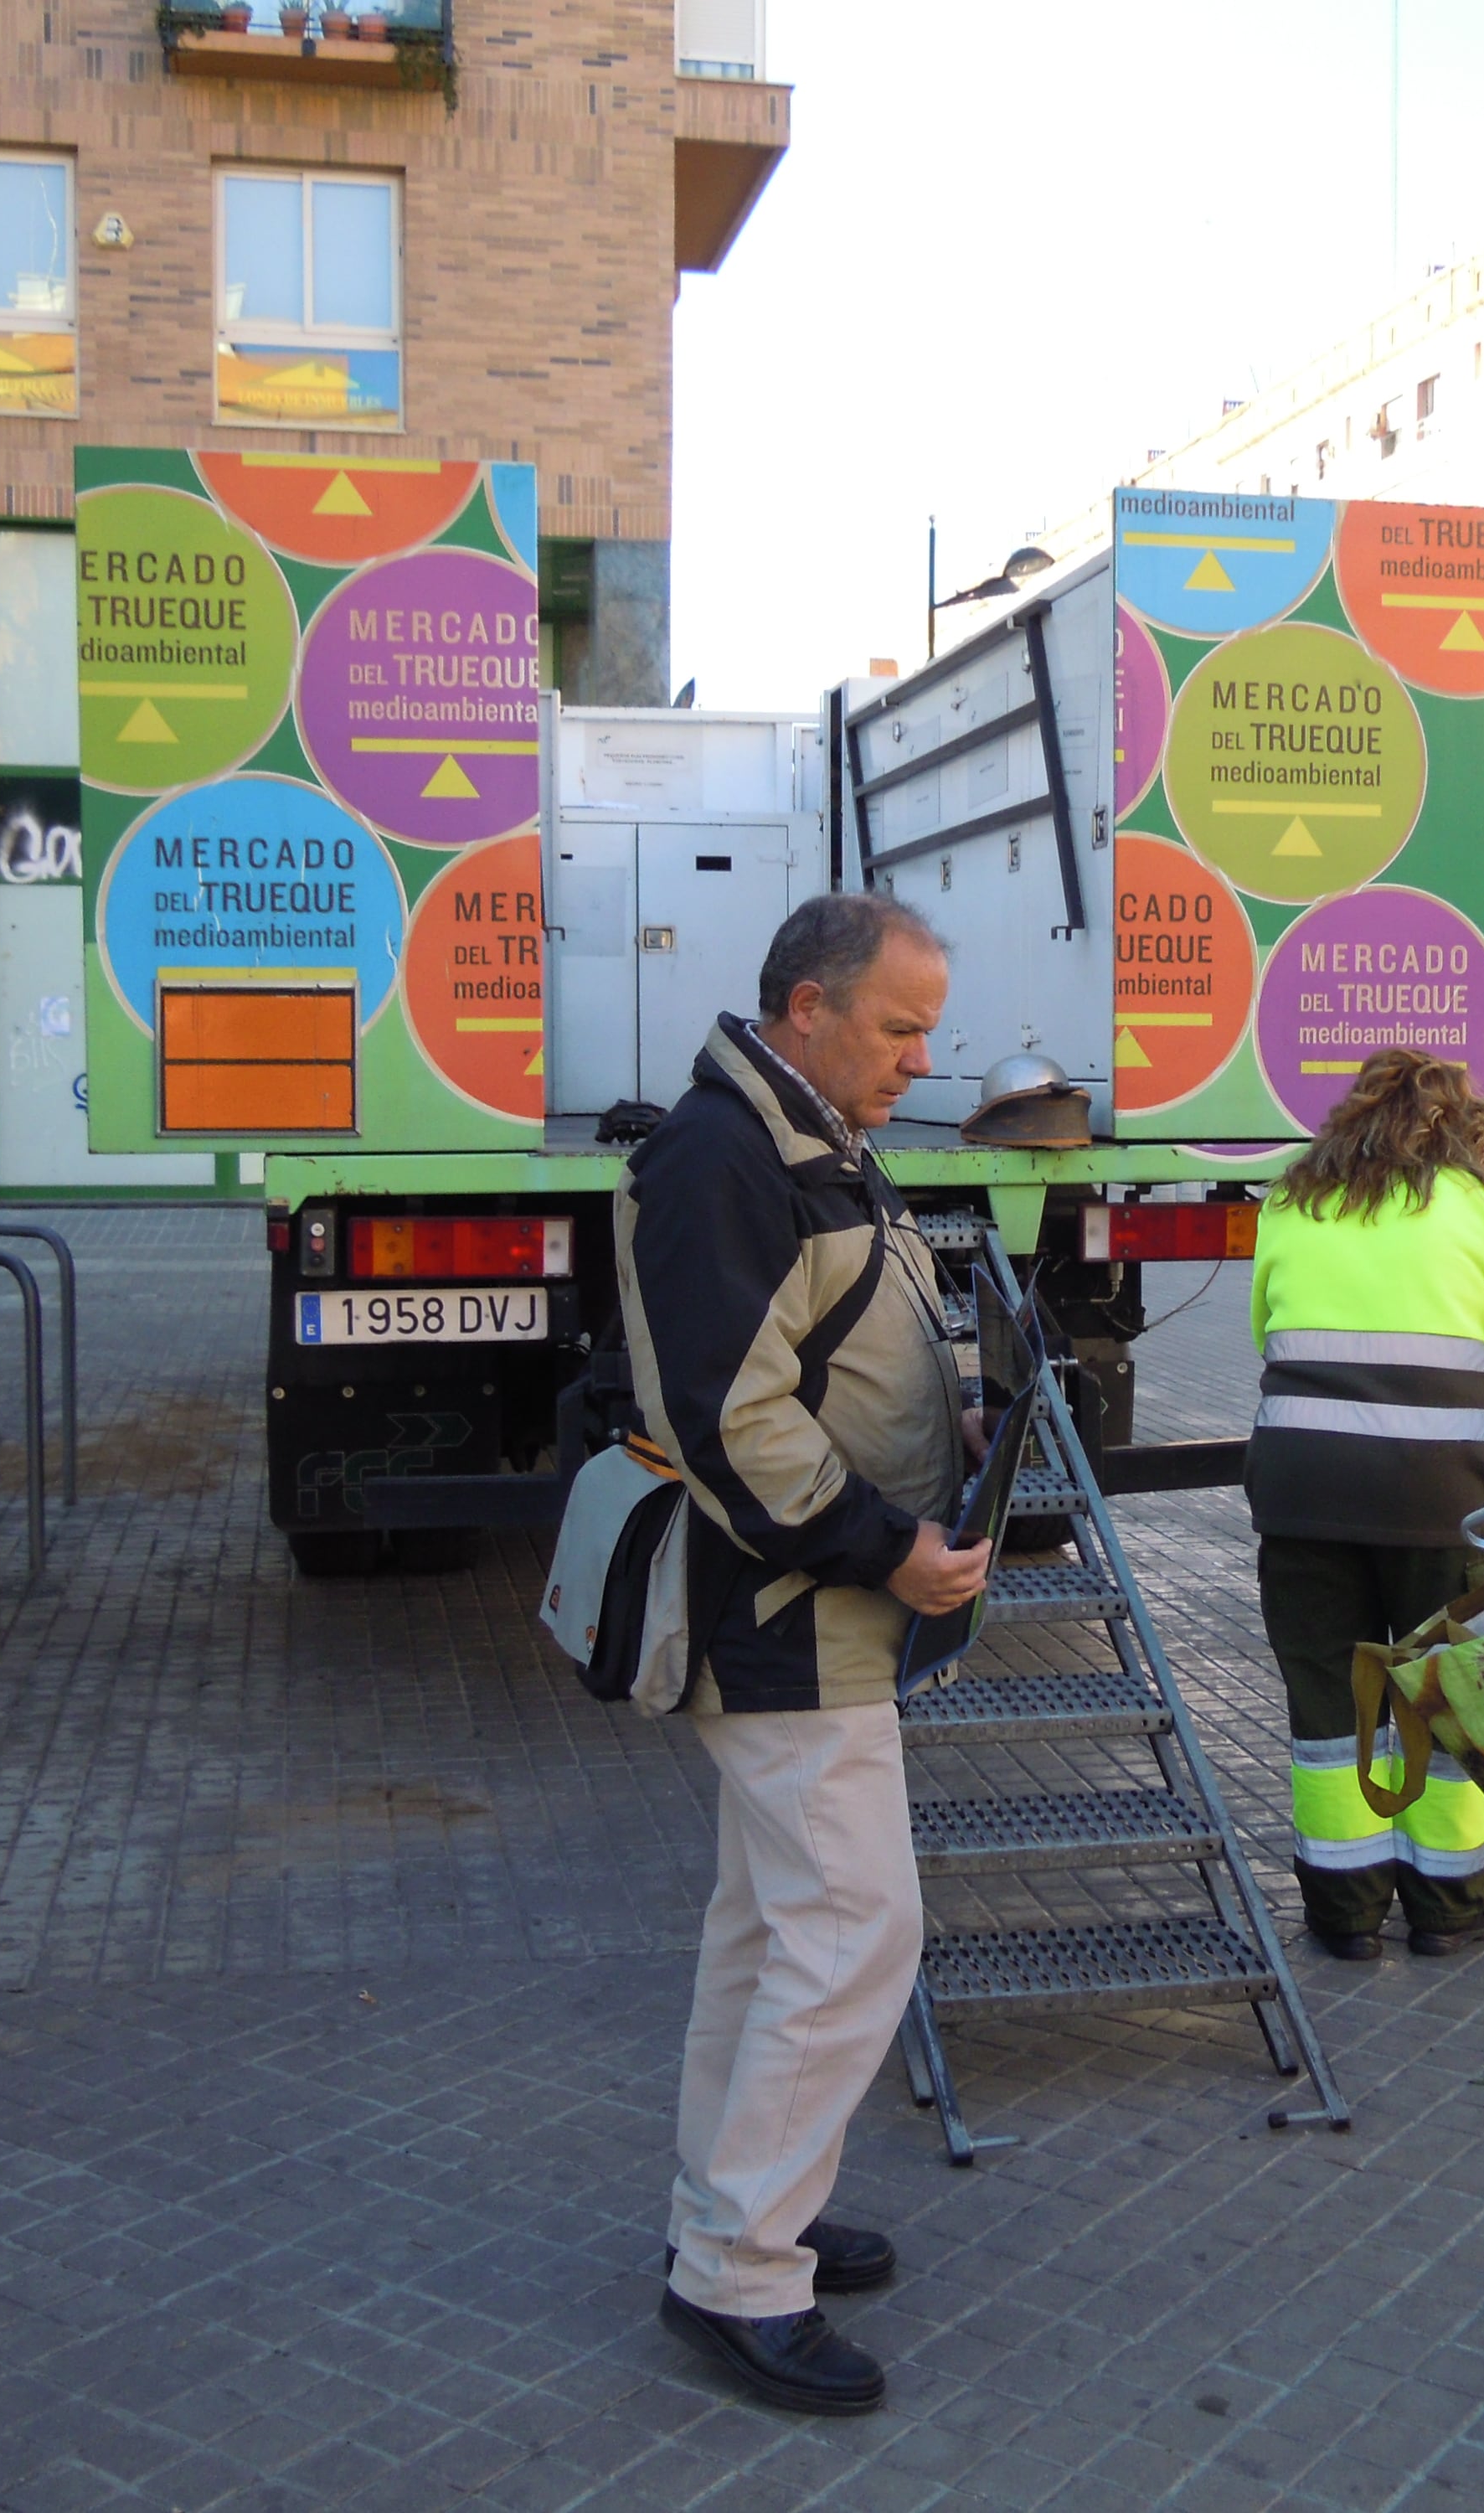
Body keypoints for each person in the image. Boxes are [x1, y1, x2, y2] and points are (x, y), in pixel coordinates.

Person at [616, 892, 990, 2418]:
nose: (916, 1061)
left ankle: (745, 2212)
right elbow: (734, 1420)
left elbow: (831, 1352)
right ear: (806, 1004)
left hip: (812, 1606)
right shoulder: (728, 1157)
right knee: (855, 1934)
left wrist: (951, 1418)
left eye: (926, 1033)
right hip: (784, 1617)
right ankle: (741, 2276)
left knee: (772, 1936)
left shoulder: (806, 1134)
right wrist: (883, 1542)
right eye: (898, 1028)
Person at [1247, 1048, 1484, 1959]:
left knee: (1327, 1708)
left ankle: (1343, 1913)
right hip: (1443, 1510)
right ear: (1463, 1127)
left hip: (1300, 1498)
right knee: (1448, 1703)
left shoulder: (1291, 1200)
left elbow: (1265, 1333)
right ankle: (1446, 1909)